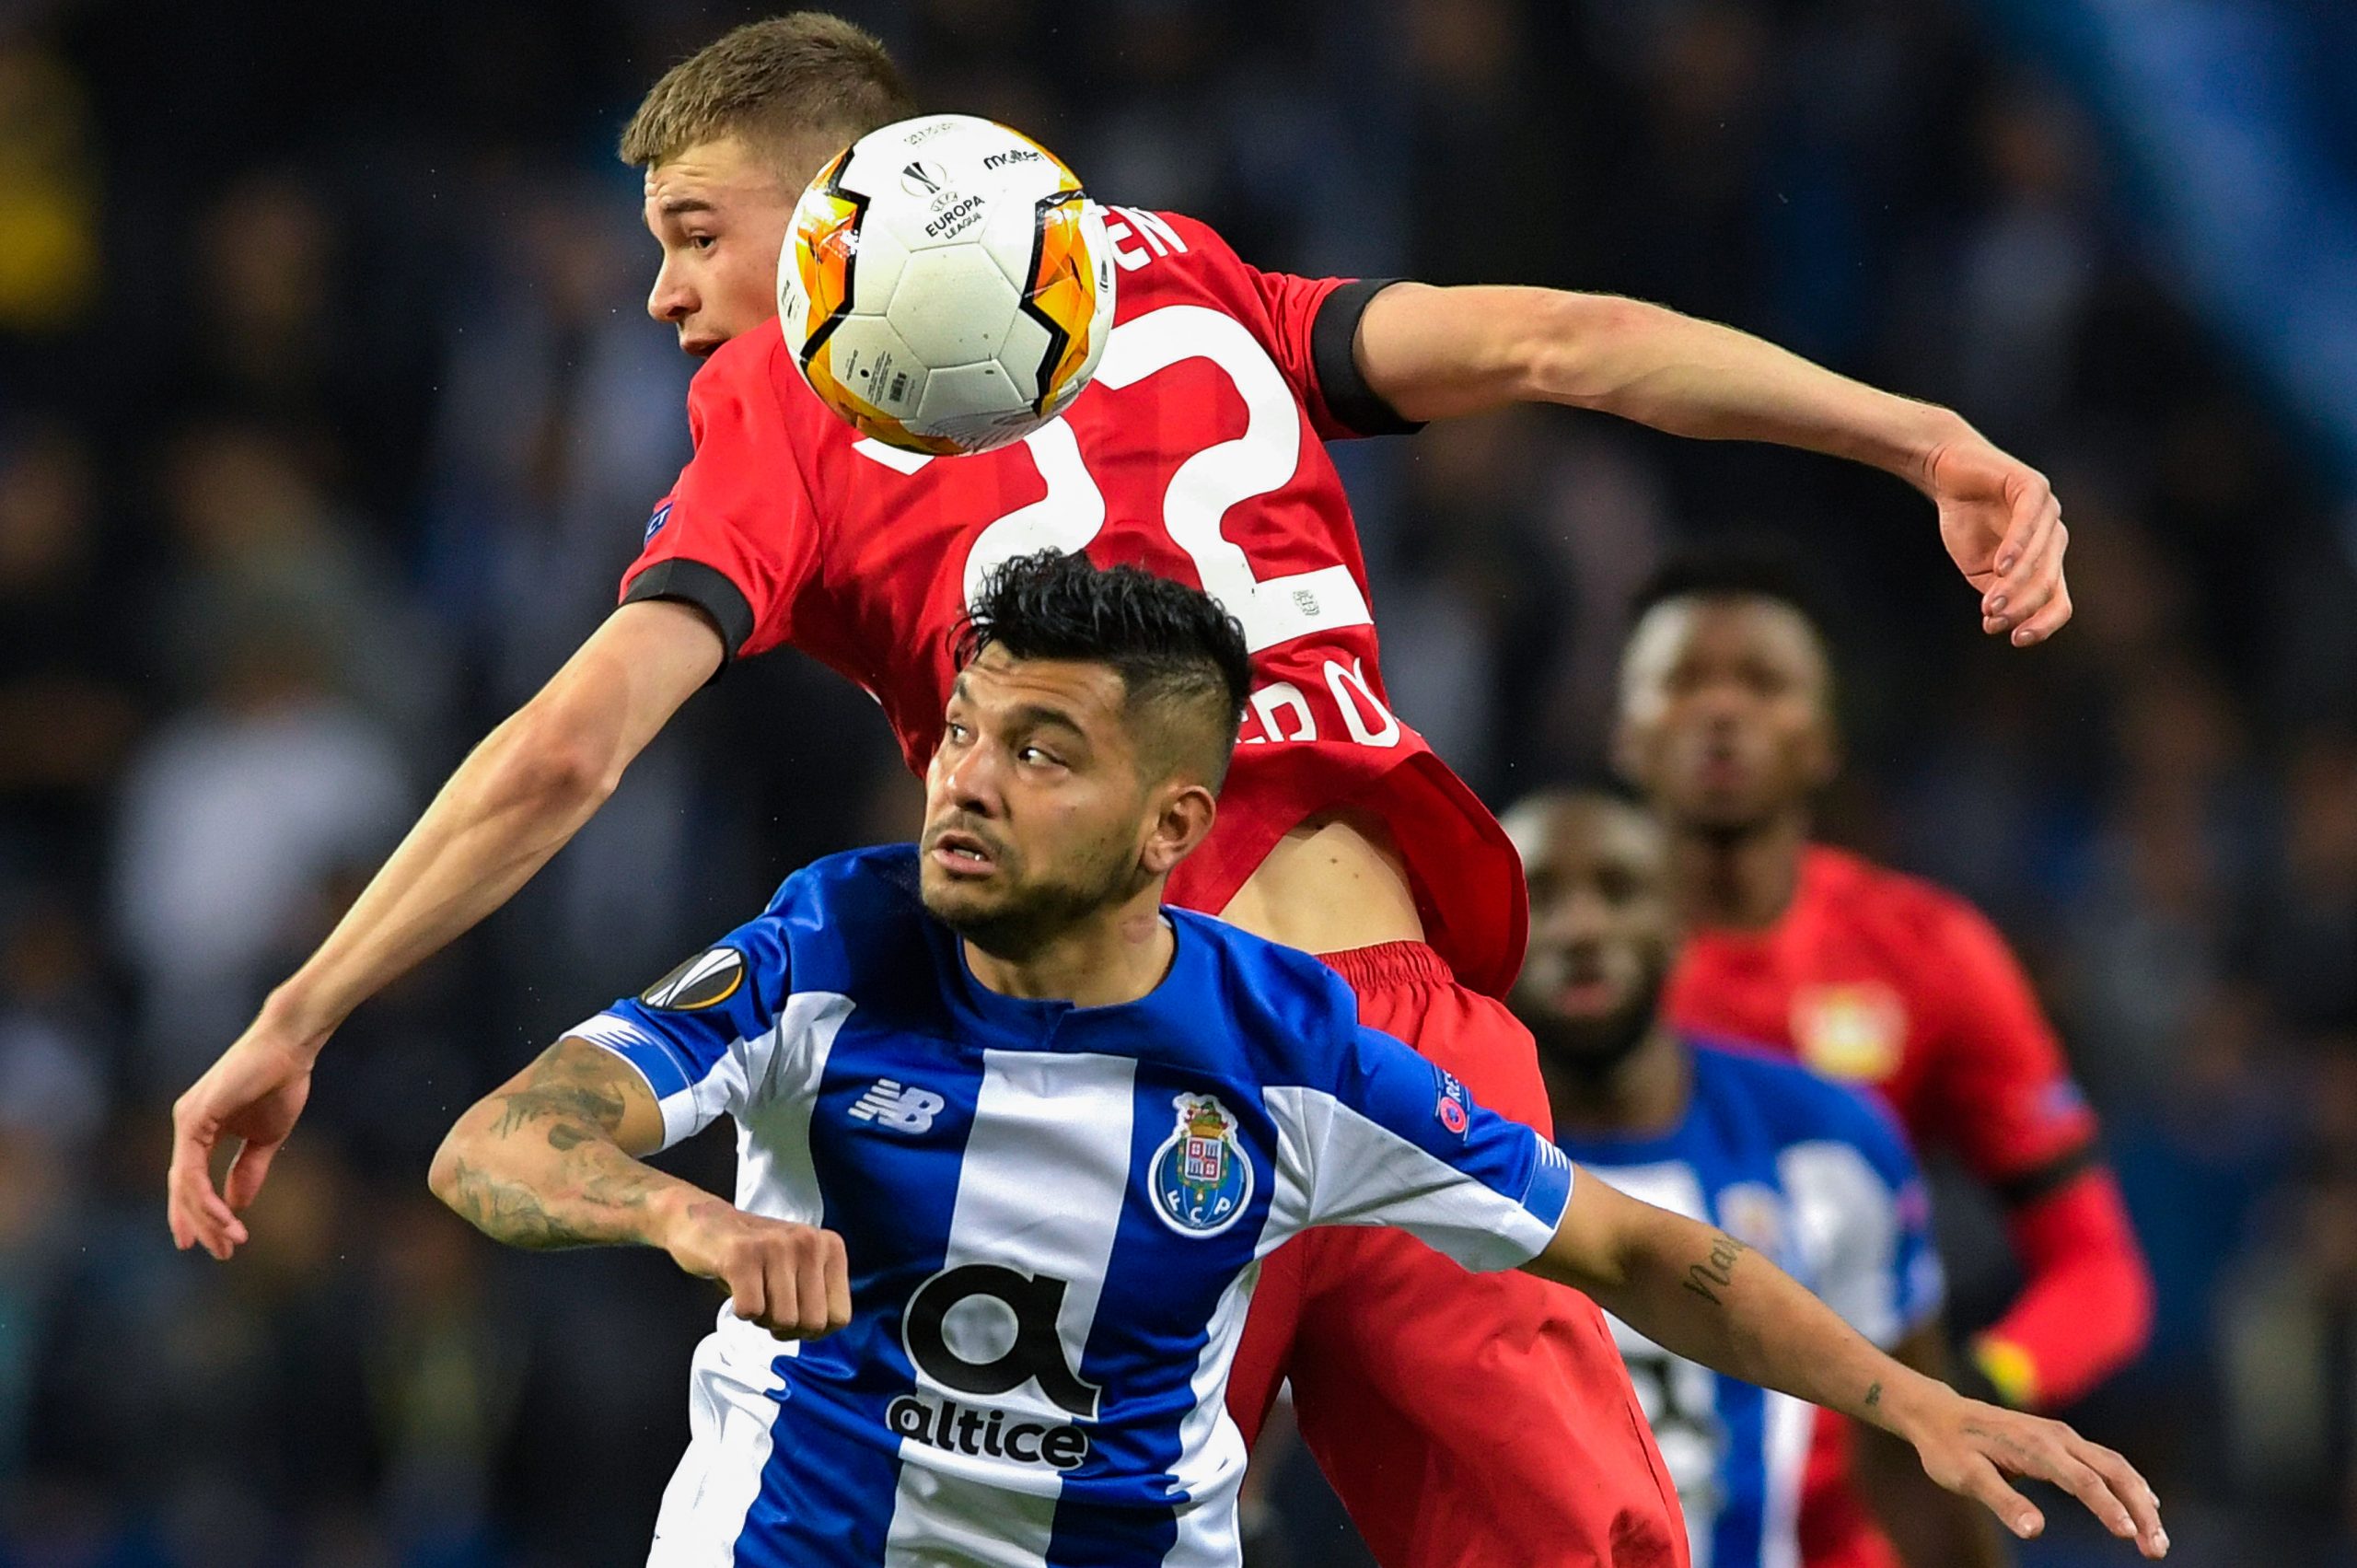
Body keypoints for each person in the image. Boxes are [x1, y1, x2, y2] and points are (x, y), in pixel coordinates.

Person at [170, 16, 2076, 1566]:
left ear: (847, 201)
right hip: (1403, 1054)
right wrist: (1918, 436)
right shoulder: (1168, 266)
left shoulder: (788, 388)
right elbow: (1552, 341)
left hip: (1118, 1081)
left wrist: (298, 1008)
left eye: (691, 231)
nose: (667, 298)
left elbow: (575, 740)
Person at [428, 552, 2165, 1567]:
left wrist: (1920, 1399)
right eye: (965, 728)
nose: (963, 777)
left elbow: (1638, 1249)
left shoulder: (1290, 1051)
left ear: (1175, 823)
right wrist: (691, 1226)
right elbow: (501, 1142)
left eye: (1042, 751)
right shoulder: (830, 940)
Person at [1612, 546, 2155, 1568]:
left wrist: (1971, 1390)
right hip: (1600, 1498)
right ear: (1624, 729)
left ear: (1821, 739)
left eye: (1762, 682)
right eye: (1683, 680)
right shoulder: (1531, 961)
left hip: (1846, 1526)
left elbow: (2098, 1270)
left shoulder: (1925, 953)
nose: (1720, 710)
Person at [1504, 788, 2007, 1568]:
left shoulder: (1828, 1141)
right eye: (1540, 895)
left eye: (1618, 889)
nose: (1581, 928)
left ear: (1678, 925)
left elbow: (1907, 1460)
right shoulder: (1415, 1149)